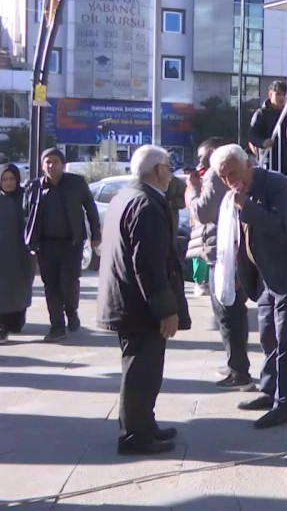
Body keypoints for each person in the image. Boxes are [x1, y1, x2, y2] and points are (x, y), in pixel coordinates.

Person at [95, 145, 191, 456]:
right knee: (140, 372)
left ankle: (144, 424)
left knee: (144, 370)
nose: (172, 173)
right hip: (139, 306)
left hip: (129, 301)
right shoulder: (146, 204)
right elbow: (149, 265)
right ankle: (135, 435)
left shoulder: (127, 195)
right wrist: (166, 309)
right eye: (169, 166)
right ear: (160, 170)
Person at [212, 144, 287, 429]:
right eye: (223, 177)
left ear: (248, 163)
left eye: (232, 172)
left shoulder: (276, 185)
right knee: (268, 336)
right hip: (265, 279)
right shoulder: (238, 193)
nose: (229, 181)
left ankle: (286, 403)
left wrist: (246, 206)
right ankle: (269, 391)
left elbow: (282, 226)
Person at [186, 137, 254, 390]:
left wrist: (192, 189)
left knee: (227, 313)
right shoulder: (219, 175)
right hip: (224, 250)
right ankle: (235, 363)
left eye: (205, 159)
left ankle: (239, 370)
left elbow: (203, 211)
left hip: (224, 253)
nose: (202, 165)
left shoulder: (216, 176)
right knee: (230, 312)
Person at [23, 147, 101, 342]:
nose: (51, 165)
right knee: (51, 286)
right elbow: (26, 212)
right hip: (46, 245)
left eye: (55, 162)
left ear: (63, 165)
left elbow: (91, 209)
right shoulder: (35, 187)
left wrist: (95, 235)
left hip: (71, 244)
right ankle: (57, 326)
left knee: (69, 282)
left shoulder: (76, 183)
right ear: (42, 166)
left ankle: (72, 312)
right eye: (48, 162)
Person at [0, 164, 34, 342]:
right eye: (4, 179)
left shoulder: (25, 197)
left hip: (22, 253)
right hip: (2, 254)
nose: (8, 183)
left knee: (20, 287)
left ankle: (15, 319)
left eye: (11, 179)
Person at [250, 80, 287, 170]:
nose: (281, 97)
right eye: (278, 94)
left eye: (283, 94)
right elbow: (252, 136)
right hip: (268, 159)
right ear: (270, 94)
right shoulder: (261, 113)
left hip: (286, 160)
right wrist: (263, 142)